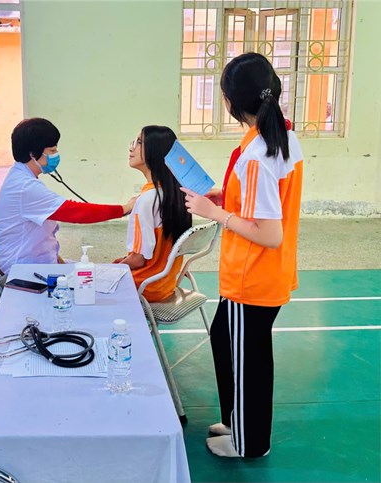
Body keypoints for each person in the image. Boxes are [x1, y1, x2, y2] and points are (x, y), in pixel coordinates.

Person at [181, 52, 303, 458]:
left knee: (248, 359)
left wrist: (215, 212)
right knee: (227, 339)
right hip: (265, 273)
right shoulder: (282, 137)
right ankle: (237, 421)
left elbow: (269, 233)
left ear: (229, 101)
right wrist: (227, 197)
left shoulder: (256, 156)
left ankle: (249, 443)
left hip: (251, 276)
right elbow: (267, 201)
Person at [0, 117, 136, 274]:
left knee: (93, 272)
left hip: (34, 263)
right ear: (33, 153)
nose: (56, 155)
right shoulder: (25, 187)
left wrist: (57, 258)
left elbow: (39, 235)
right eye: (52, 151)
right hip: (20, 272)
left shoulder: (21, 178)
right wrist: (125, 208)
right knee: (97, 278)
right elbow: (76, 212)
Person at [114, 125, 192, 301]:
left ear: (155, 151)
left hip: (145, 286)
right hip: (166, 284)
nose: (131, 148)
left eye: (139, 142)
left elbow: (138, 260)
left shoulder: (146, 201)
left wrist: (114, 268)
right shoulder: (177, 193)